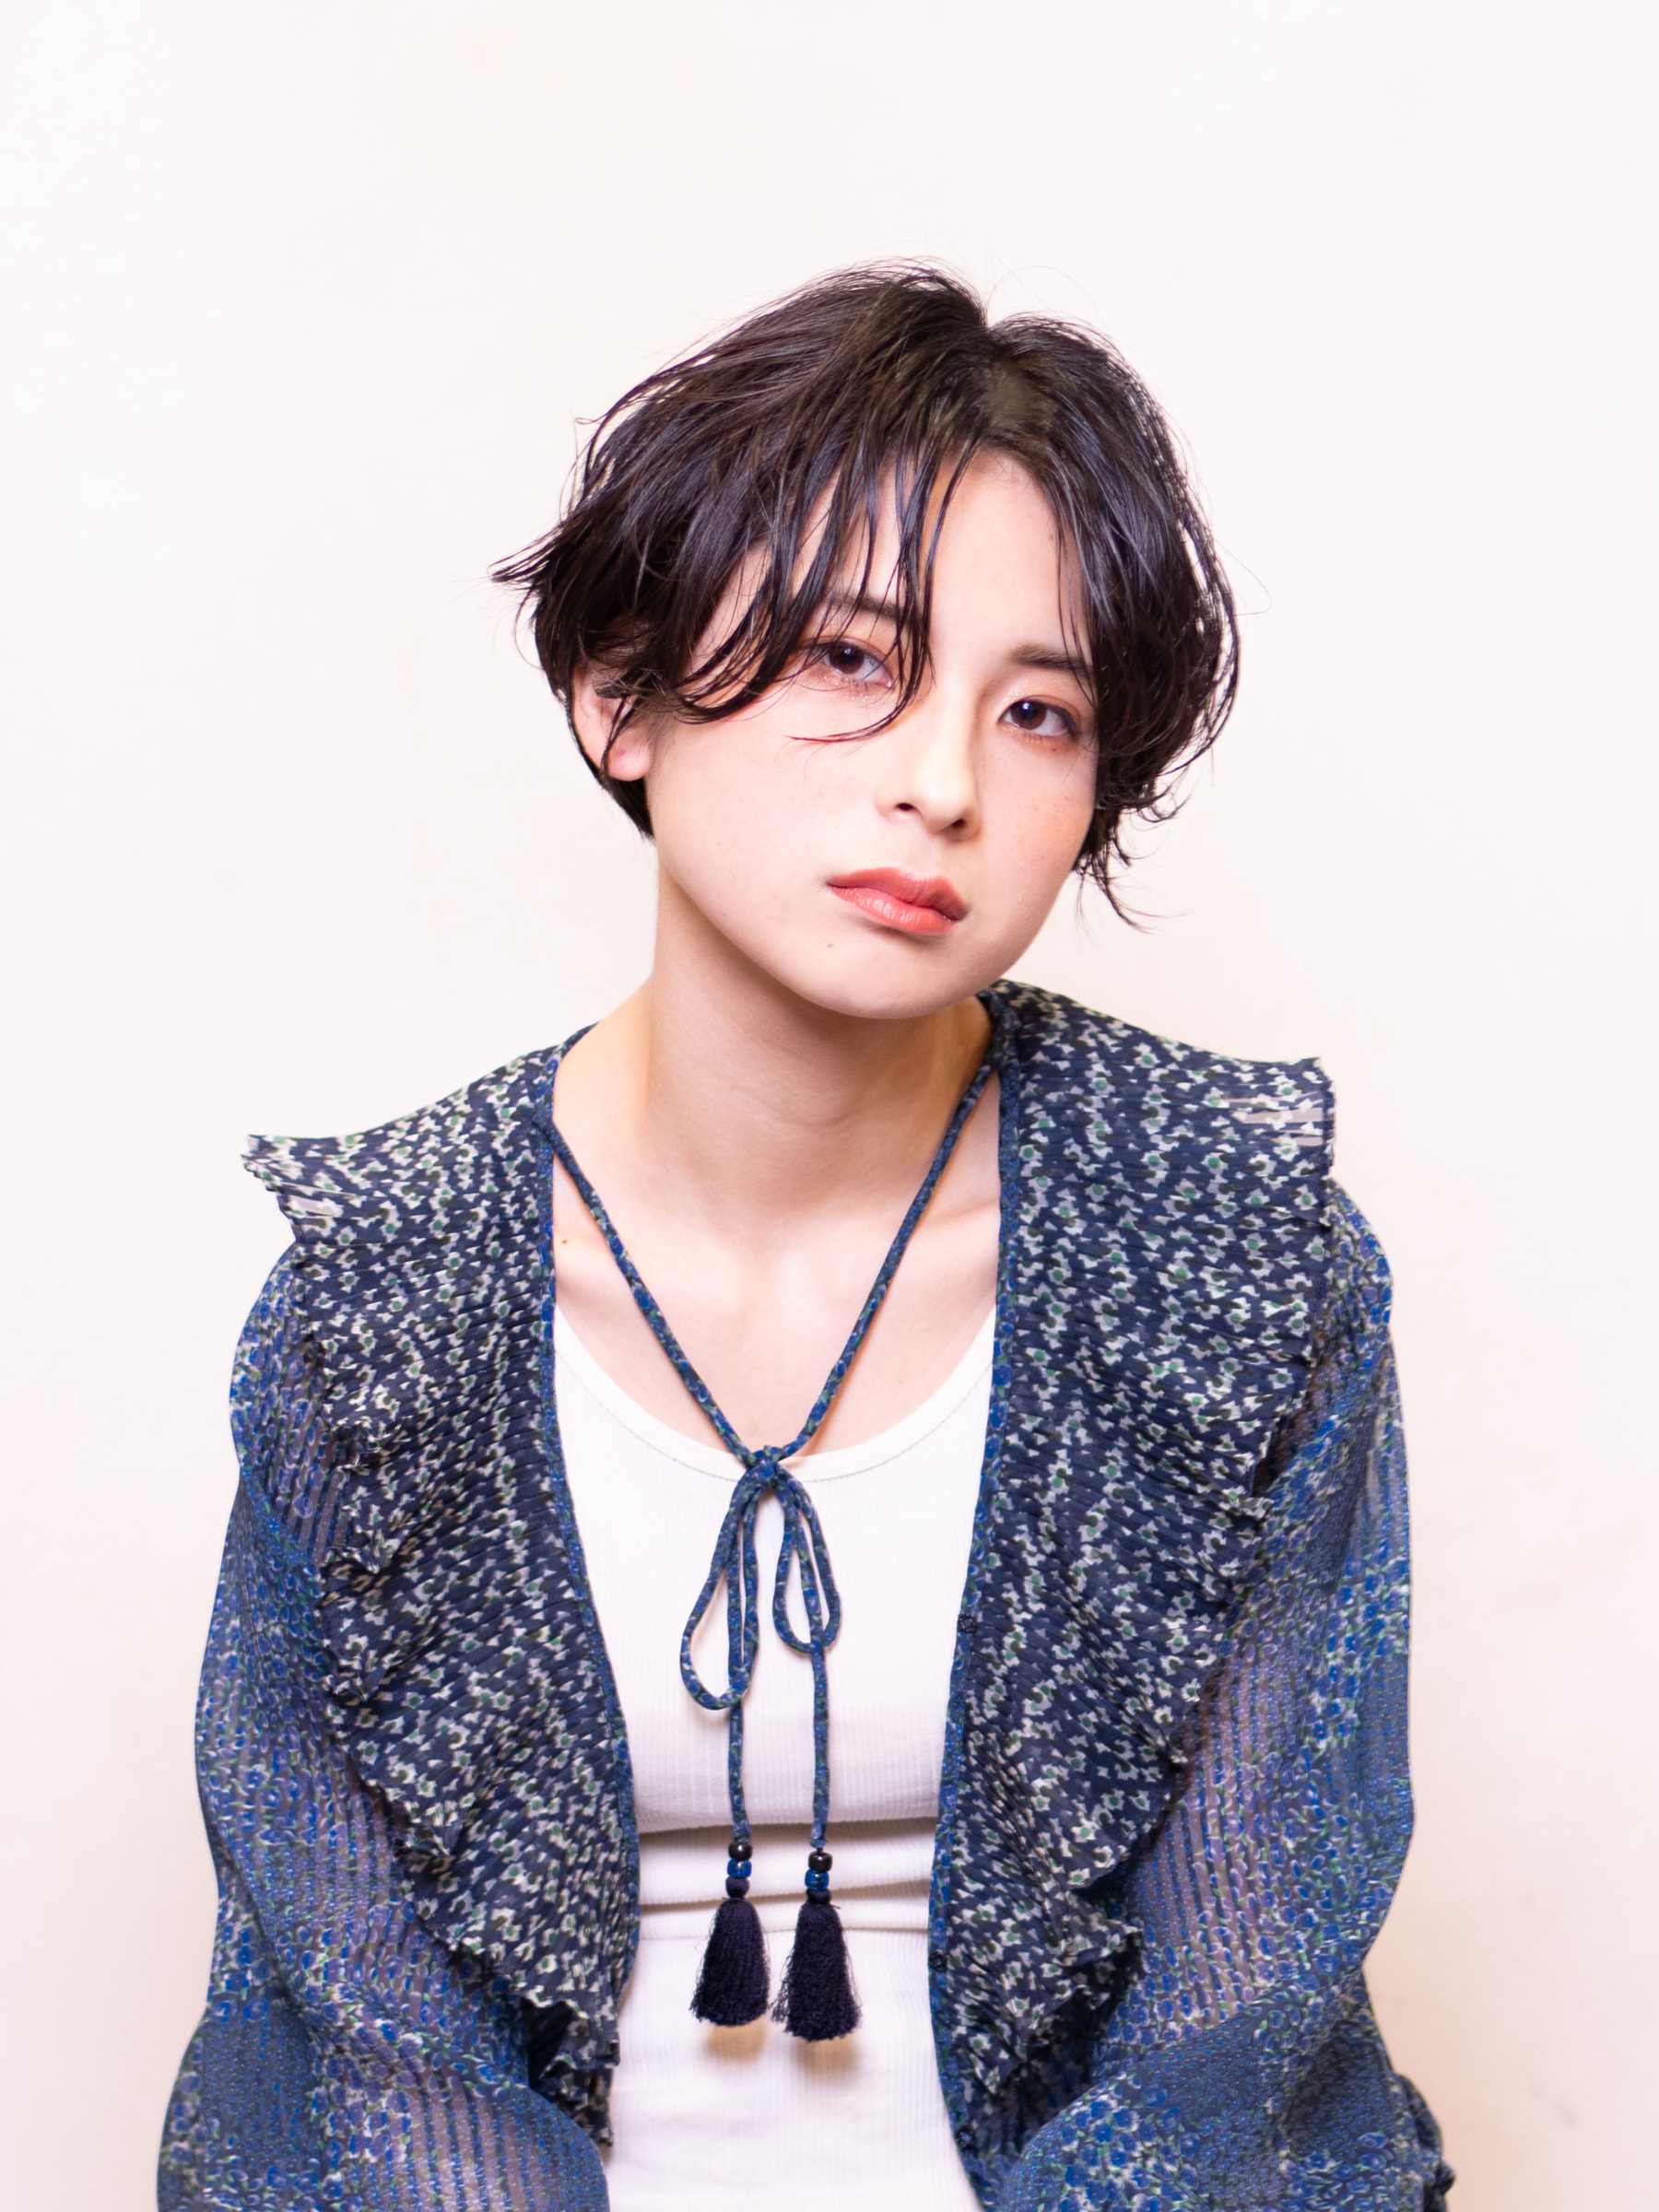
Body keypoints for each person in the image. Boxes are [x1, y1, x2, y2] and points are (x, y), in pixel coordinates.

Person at [159, 266, 1453, 2212]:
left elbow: (1237, 2028)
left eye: (1038, 712)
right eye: (855, 658)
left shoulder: (1237, 1260)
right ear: (620, 694)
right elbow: (360, 2059)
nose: (943, 784)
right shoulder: (378, 1307)